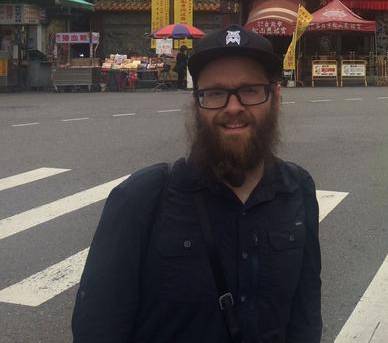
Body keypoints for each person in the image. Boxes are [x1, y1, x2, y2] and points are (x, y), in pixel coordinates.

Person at [72, 25, 322, 342]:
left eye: (250, 90)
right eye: (215, 93)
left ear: (275, 98)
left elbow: (305, 317)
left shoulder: (297, 190)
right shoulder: (142, 198)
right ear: (196, 103)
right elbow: (98, 328)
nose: (233, 107)